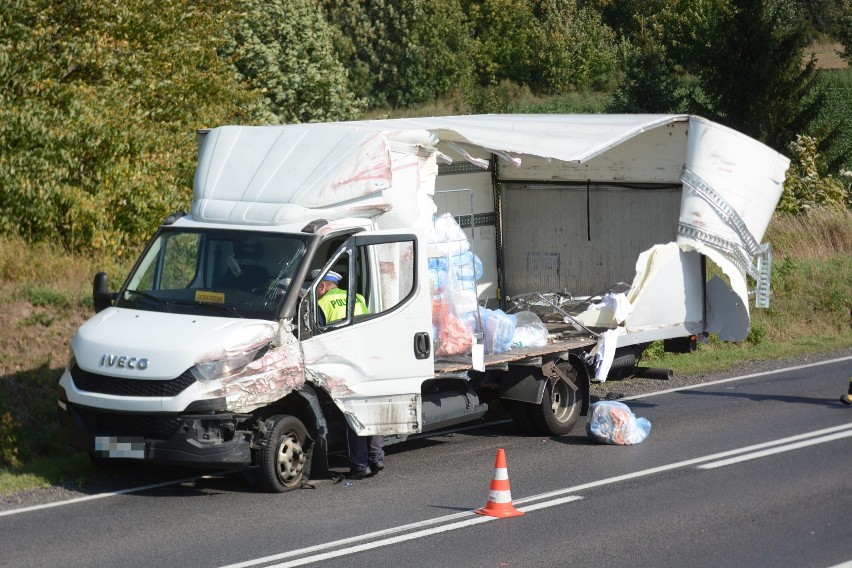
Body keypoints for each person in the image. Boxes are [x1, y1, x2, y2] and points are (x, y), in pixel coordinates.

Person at [314, 270, 384, 478]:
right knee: (371, 410)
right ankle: (376, 457)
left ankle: (360, 466)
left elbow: (319, 337)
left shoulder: (322, 304)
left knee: (353, 415)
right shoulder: (358, 297)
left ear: (322, 287)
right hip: (367, 359)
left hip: (344, 364)